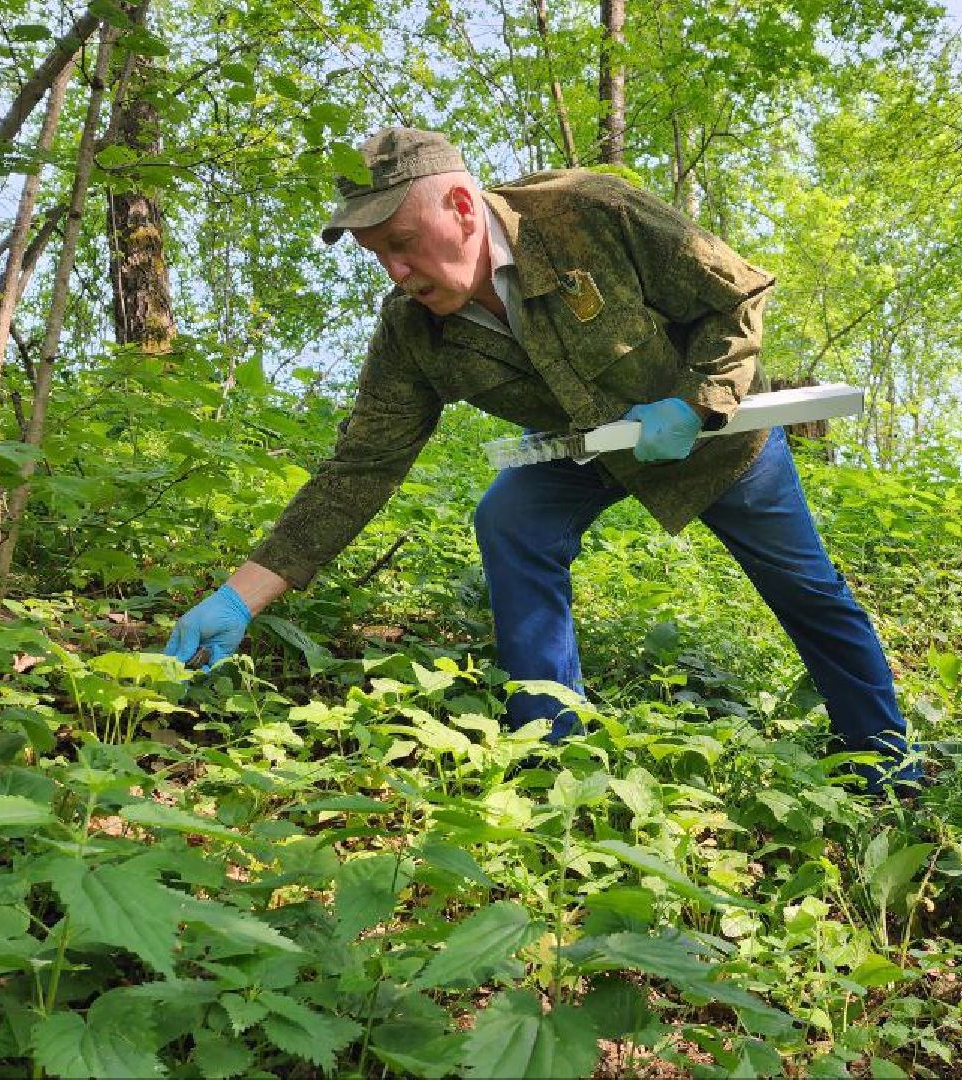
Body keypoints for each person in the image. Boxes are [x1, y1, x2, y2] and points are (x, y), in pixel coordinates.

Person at [164, 127, 920, 793]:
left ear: (460, 209)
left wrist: (694, 401)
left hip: (710, 433)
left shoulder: (590, 211)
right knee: (511, 520)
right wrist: (241, 595)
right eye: (376, 256)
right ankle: (549, 749)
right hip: (582, 444)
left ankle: (883, 762)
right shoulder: (411, 330)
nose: (393, 270)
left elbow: (735, 295)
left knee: (806, 589)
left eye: (398, 243)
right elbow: (362, 465)